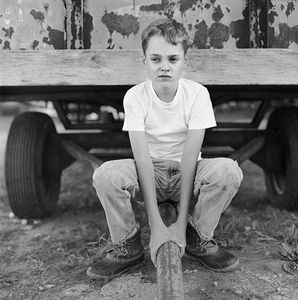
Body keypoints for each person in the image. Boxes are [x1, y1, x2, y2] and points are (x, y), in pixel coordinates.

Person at [87, 18, 243, 279]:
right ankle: (127, 245)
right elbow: (142, 159)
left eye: (173, 59)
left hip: (187, 170)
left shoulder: (197, 94)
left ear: (185, 61)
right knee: (106, 174)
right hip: (149, 168)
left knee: (229, 171)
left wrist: (180, 224)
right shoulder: (135, 96)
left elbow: (190, 159)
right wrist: (157, 226)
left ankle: (198, 238)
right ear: (144, 62)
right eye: (156, 59)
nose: (164, 67)